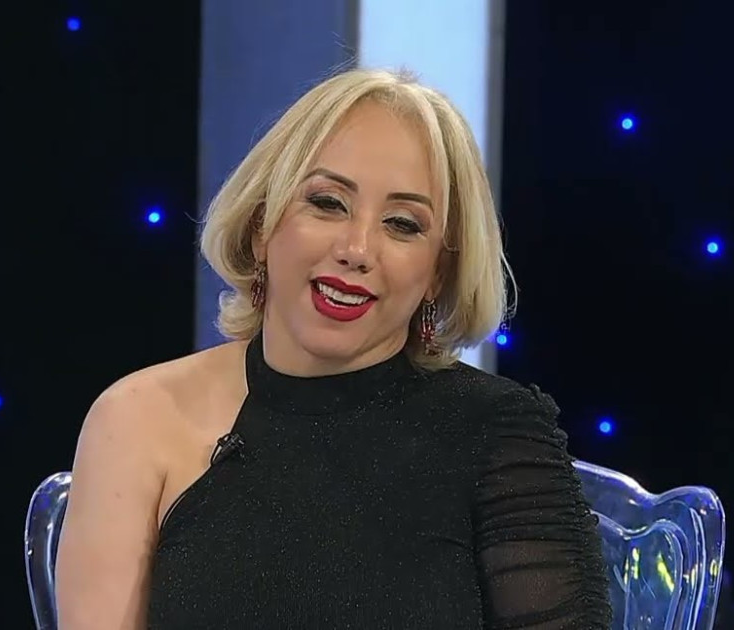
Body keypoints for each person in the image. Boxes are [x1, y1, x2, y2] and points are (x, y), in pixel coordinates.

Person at [55, 68, 613, 629]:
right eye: (327, 203)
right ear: (260, 225)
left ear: (439, 273)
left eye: (402, 224)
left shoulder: (498, 433)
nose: (357, 249)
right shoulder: (138, 419)